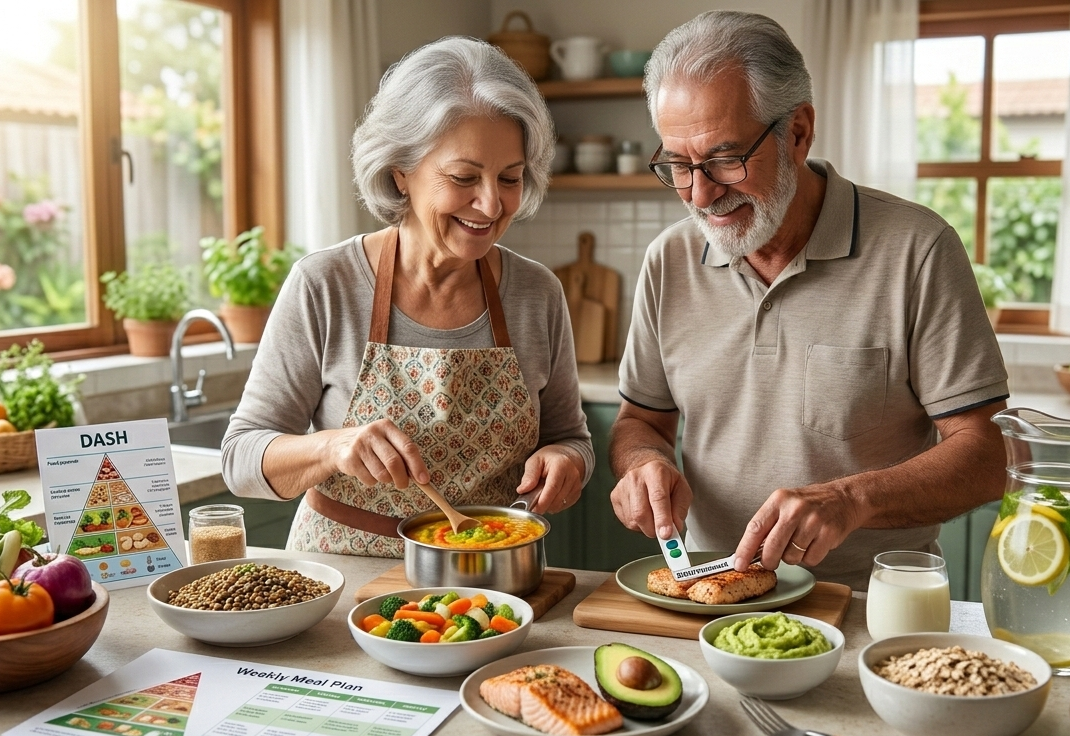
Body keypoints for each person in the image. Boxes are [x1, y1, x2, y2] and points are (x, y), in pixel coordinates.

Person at [610, 11, 1009, 590]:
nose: (700, 194)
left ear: (797, 132)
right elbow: (639, 420)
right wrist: (643, 462)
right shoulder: (668, 261)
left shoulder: (917, 249)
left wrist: (855, 499)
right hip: (710, 598)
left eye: (725, 158)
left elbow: (988, 453)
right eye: (678, 164)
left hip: (870, 605)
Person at [222, 37, 592, 557]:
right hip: (343, 572)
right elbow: (240, 458)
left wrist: (567, 460)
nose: (490, 204)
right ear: (401, 171)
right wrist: (333, 445)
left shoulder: (537, 294)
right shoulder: (325, 285)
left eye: (510, 178)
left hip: (492, 577)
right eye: (464, 177)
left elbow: (572, 436)